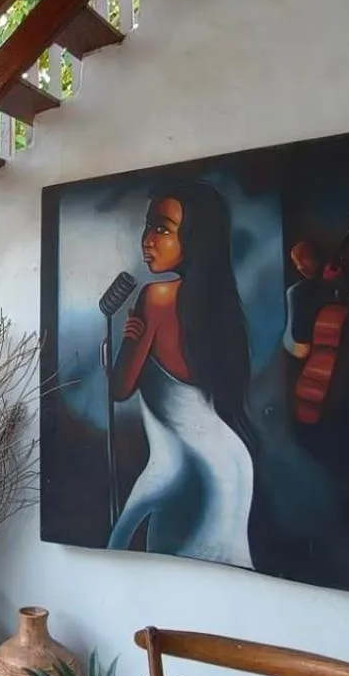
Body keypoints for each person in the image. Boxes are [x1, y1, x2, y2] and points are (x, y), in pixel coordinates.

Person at [107, 180, 255, 568]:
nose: (147, 239)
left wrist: (127, 340)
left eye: (162, 228)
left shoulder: (156, 299)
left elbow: (120, 388)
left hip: (186, 470)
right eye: (147, 225)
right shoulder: (218, 310)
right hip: (231, 466)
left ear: (195, 239)